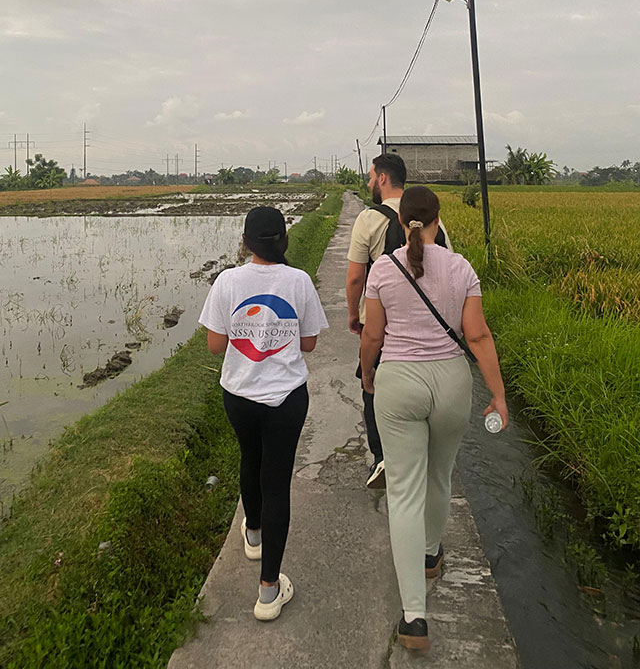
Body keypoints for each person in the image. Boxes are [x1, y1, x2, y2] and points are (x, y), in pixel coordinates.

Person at [360, 185, 507, 652]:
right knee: (440, 478)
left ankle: (415, 618)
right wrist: (499, 397)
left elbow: (372, 337)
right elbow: (478, 336)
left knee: (403, 492)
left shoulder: (383, 268)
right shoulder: (462, 267)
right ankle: (428, 555)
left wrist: (368, 376)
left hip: (399, 383)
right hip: (450, 383)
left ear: (401, 222)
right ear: (438, 220)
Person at [199, 205, 328, 621]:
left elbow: (216, 346)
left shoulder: (227, 281)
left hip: (239, 395)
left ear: (245, 242)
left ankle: (253, 532)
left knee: (249, 460)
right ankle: (269, 591)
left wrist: (248, 332)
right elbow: (308, 344)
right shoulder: (299, 281)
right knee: (277, 483)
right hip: (287, 398)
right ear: (284, 240)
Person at [346, 153, 451, 489]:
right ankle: (423, 455)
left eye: (370, 176)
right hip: (430, 330)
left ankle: (384, 459)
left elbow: (354, 279)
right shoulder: (434, 221)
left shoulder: (368, 219)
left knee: (373, 386)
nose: (367, 182)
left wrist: (354, 314)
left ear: (382, 179)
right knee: (425, 391)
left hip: (382, 325)